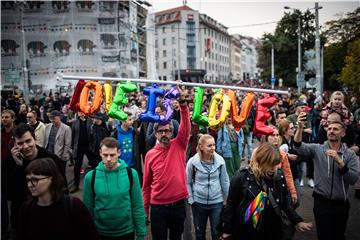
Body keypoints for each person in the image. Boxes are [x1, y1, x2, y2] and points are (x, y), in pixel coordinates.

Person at [218, 142, 312, 240]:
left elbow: (286, 204)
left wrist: (297, 221)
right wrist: (227, 230)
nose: (273, 168)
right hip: (247, 231)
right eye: (270, 164)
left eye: (275, 164)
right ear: (261, 161)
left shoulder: (279, 177)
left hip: (272, 230)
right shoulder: (242, 177)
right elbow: (231, 204)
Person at [294, 111, 359, 240]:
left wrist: (340, 162)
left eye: (335, 129)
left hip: (341, 204)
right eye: (329, 128)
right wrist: (300, 128)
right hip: (321, 202)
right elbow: (298, 147)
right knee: (324, 236)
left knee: (339, 236)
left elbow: (353, 179)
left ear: (343, 133)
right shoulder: (318, 149)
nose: (331, 131)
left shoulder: (350, 155)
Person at [142, 83, 190, 240]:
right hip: (157, 207)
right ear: (155, 133)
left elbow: (186, 126)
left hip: (178, 204)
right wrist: (145, 209)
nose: (164, 133)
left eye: (168, 130)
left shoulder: (179, 144)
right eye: (161, 131)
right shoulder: (150, 155)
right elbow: (146, 185)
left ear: (172, 132)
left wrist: (183, 104)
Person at [1, 123, 65, 233]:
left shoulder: (51, 159)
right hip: (22, 219)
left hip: (49, 216)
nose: (25, 146)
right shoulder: (9, 162)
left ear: (34, 139)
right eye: (20, 143)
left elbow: (62, 188)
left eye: (28, 141)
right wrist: (18, 167)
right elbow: (8, 193)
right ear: (15, 145)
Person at [18, 158, 99, 240]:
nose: (30, 185)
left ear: (51, 179)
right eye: (28, 180)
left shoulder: (74, 206)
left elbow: (90, 235)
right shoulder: (26, 209)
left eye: (35, 180)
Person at [83, 137, 146, 240]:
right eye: (105, 155)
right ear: (100, 153)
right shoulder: (91, 177)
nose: (108, 159)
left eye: (112, 155)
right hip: (100, 232)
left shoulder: (131, 174)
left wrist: (141, 234)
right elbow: (87, 210)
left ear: (119, 153)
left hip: (126, 232)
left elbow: (137, 206)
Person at [186, 134, 229, 240]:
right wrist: (191, 199)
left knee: (216, 233)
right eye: (209, 146)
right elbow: (187, 182)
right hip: (198, 203)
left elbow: (225, 181)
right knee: (200, 233)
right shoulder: (192, 162)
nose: (213, 148)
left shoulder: (220, 161)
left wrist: (229, 200)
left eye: (214, 145)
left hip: (216, 203)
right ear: (201, 147)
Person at [261, 126, 297, 205]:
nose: (276, 137)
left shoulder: (282, 154)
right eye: (272, 135)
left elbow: (288, 174)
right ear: (266, 137)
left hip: (278, 190)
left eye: (277, 135)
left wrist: (293, 191)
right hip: (262, 190)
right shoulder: (259, 153)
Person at [287, 101, 313, 188]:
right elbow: (289, 130)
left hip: (303, 143)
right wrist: (302, 129)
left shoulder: (307, 117)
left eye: (305, 108)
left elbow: (310, 130)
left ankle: (299, 180)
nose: (304, 109)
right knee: (293, 165)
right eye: (302, 107)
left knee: (301, 166)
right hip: (292, 144)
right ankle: (293, 183)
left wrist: (299, 129)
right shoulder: (290, 117)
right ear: (297, 107)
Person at [44, 110, 72, 183]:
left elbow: (67, 145)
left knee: (61, 175)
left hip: (59, 157)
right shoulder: (47, 126)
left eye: (54, 118)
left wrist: (63, 157)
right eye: (50, 118)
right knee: (51, 175)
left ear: (59, 117)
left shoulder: (66, 128)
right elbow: (45, 141)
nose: (52, 120)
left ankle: (65, 191)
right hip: (48, 155)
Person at [279, 120, 302, 207]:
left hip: (295, 174)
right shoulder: (280, 142)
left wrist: (293, 159)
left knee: (297, 201)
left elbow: (301, 155)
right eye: (291, 128)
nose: (294, 130)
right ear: (285, 130)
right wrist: (287, 157)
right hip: (284, 175)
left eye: (294, 128)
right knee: (286, 201)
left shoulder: (295, 140)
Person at [69, 111, 92, 193]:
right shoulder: (75, 122)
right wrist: (71, 147)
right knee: (77, 166)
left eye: (81, 111)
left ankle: (96, 183)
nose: (79, 113)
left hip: (89, 147)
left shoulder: (90, 120)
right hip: (78, 147)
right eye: (78, 111)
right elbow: (73, 135)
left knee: (94, 164)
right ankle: (76, 185)